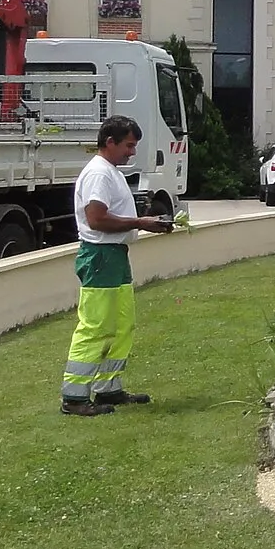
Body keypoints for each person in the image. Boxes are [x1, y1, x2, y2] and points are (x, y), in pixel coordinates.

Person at [61, 115, 173, 417]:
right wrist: (140, 222)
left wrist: (143, 221)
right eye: (128, 145)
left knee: (122, 325)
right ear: (109, 142)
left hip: (115, 256)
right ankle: (74, 396)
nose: (132, 152)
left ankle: (108, 387)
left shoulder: (110, 171)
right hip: (100, 256)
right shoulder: (99, 174)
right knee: (96, 326)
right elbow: (96, 219)